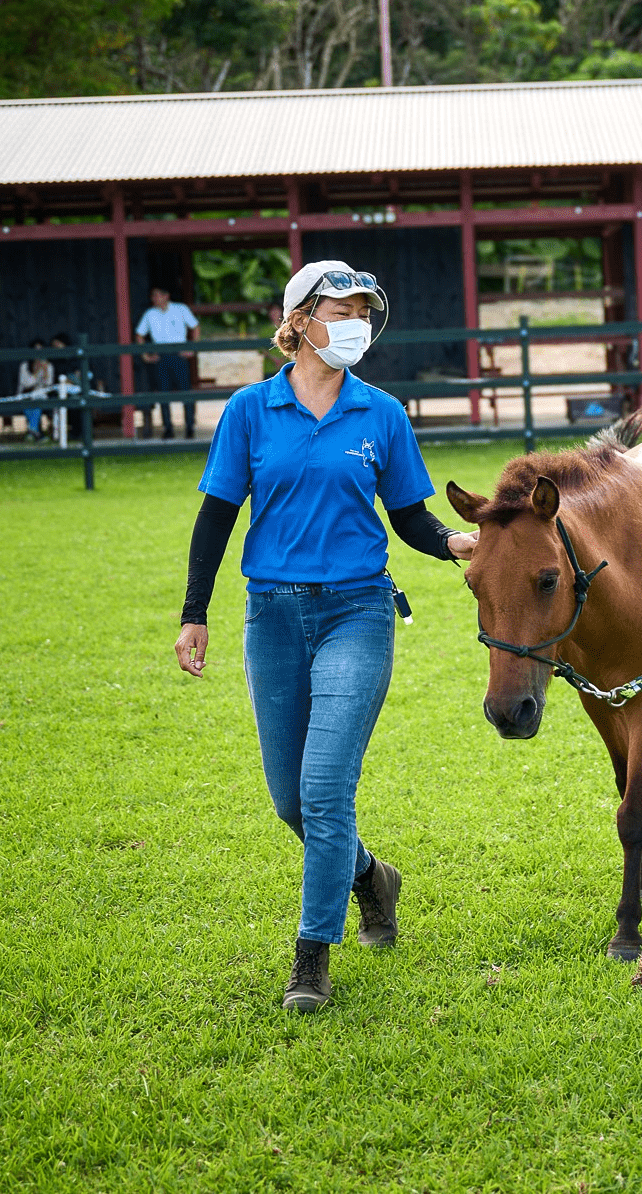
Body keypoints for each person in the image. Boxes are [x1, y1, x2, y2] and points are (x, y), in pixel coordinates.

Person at [173, 260, 479, 1011]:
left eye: (364, 312)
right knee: (290, 800)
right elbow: (216, 514)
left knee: (324, 787)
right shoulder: (250, 410)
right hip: (270, 616)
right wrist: (194, 611)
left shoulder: (382, 414)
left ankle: (312, 956)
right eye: (342, 308)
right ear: (300, 319)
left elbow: (408, 512)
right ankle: (373, 878)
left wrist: (451, 542)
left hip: (358, 612)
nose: (356, 324)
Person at [135, 285, 202, 439]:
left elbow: (195, 326)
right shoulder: (150, 314)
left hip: (179, 353)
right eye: (153, 296)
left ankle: (190, 427)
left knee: (186, 392)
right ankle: (168, 428)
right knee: (163, 393)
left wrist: (193, 348)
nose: (154, 299)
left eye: (157, 295)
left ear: (166, 296)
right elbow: (139, 334)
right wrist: (145, 355)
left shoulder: (181, 309)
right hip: (161, 354)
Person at [17, 340, 55, 441]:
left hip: (41, 396)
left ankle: (32, 431)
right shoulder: (24, 366)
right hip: (26, 395)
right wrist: (36, 372)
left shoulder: (49, 365)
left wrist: (45, 371)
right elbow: (27, 384)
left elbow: (49, 385)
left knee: (38, 404)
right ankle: (36, 433)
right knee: (30, 403)